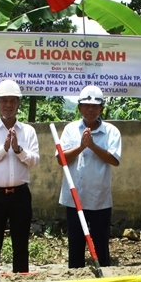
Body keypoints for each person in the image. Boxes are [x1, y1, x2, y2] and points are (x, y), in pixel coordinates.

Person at [0, 79, 40, 273]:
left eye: (13, 101)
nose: (8, 105)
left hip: (20, 195)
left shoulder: (28, 131)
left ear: (19, 104)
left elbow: (35, 160)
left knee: (21, 242)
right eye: (4, 101)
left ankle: (21, 278)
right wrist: (3, 150)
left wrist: (19, 150)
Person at [57, 85, 121, 268]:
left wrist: (92, 146)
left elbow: (114, 160)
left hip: (100, 198)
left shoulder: (112, 132)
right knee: (75, 246)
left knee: (101, 245)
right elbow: (61, 160)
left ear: (102, 108)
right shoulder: (70, 130)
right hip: (75, 198)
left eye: (95, 106)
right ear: (79, 108)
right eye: (86, 105)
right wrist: (81, 147)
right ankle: (76, 280)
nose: (90, 109)